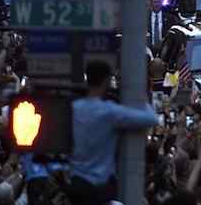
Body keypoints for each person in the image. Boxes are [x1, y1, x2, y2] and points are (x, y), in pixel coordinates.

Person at [68, 61, 159, 205]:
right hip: (100, 187)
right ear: (106, 81)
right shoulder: (109, 111)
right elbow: (152, 118)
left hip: (76, 184)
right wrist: (140, 97)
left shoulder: (74, 108)